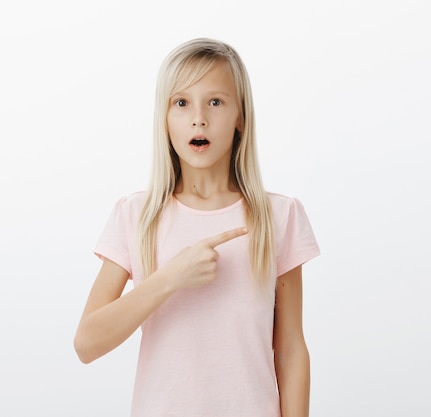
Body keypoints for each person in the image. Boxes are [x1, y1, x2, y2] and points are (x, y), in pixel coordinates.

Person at [73, 38, 320, 417]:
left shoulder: (279, 216)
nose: (198, 118)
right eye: (181, 102)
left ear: (241, 117)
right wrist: (169, 277)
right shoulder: (136, 215)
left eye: (216, 102)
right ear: (165, 117)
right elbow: (87, 344)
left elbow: (289, 351)